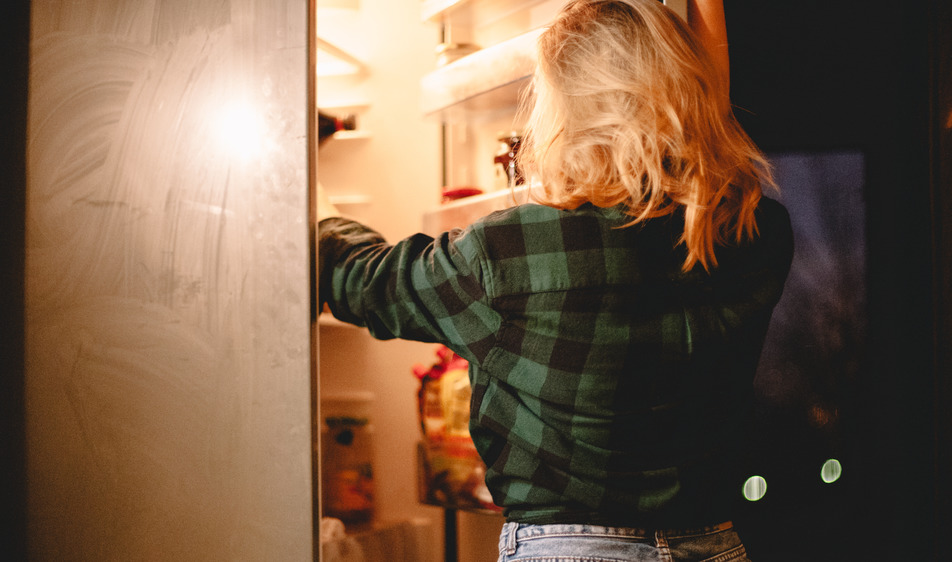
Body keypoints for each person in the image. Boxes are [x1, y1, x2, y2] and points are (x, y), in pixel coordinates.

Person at [317, 0, 793, 560]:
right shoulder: (755, 234)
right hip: (711, 541)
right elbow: (704, 167)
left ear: (567, 110)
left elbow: (362, 281)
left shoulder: (511, 251)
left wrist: (309, 194)